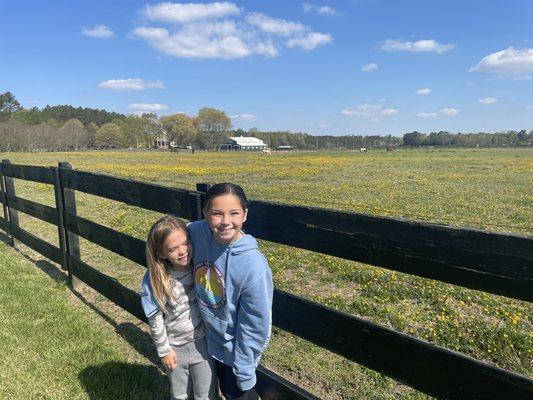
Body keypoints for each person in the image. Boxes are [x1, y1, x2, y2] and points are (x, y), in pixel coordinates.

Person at [188, 183, 273, 400]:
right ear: (206, 214)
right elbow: (167, 240)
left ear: (245, 215)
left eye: (234, 213)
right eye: (217, 213)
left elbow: (255, 324)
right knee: (205, 390)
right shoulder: (196, 232)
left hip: (231, 352)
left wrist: (244, 368)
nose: (226, 221)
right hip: (203, 338)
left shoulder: (253, 266)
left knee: (234, 393)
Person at [141, 215, 216, 400]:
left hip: (203, 344)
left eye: (186, 242)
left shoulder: (200, 267)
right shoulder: (155, 280)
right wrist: (164, 350)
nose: (183, 251)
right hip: (175, 349)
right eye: (173, 249)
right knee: (179, 395)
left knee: (205, 394)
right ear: (161, 253)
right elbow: (155, 319)